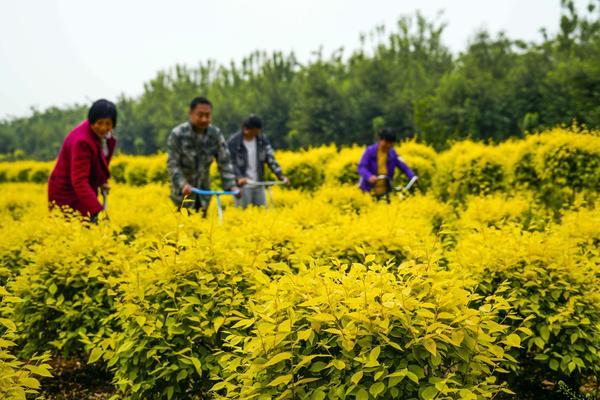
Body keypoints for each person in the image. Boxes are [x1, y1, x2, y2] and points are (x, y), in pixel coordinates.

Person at [167, 96, 239, 216]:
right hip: (182, 196)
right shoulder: (178, 134)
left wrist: (231, 185)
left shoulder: (215, 134)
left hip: (204, 194)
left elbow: (224, 161)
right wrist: (183, 184)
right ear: (190, 113)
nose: (204, 119)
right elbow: (172, 164)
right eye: (200, 115)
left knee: (202, 230)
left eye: (208, 115)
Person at [48, 99, 117, 221]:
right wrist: (98, 211)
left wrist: (102, 181)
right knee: (80, 229)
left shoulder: (103, 136)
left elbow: (98, 162)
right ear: (91, 121)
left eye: (108, 123)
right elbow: (79, 181)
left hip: (83, 192)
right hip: (67, 195)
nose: (103, 127)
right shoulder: (82, 141)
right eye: (100, 123)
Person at [227, 115, 289, 208]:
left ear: (257, 130)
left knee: (262, 213)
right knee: (243, 215)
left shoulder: (262, 141)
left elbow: (270, 159)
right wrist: (239, 177)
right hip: (243, 186)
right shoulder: (233, 141)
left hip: (259, 184)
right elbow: (231, 163)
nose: (247, 131)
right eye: (246, 128)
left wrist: (281, 176)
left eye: (251, 129)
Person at [357, 128, 416, 199]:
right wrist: (369, 176)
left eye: (391, 143)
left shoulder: (393, 154)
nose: (388, 145)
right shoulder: (369, 151)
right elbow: (361, 167)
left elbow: (404, 167)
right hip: (369, 190)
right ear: (380, 140)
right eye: (386, 142)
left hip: (386, 191)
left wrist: (412, 177)